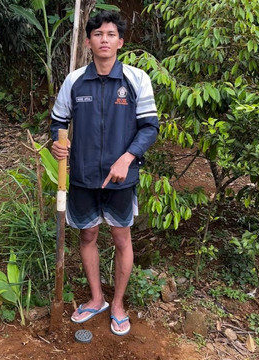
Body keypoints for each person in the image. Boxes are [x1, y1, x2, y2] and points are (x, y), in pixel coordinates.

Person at [50, 11, 158, 335]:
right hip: (82, 176)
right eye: (98, 34)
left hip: (121, 178)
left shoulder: (136, 80)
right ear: (89, 42)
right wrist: (58, 145)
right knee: (88, 235)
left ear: (120, 42)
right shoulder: (74, 82)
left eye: (111, 34)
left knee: (121, 237)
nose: (105, 40)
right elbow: (58, 123)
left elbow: (150, 128)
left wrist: (128, 157)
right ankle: (97, 299)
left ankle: (119, 304)